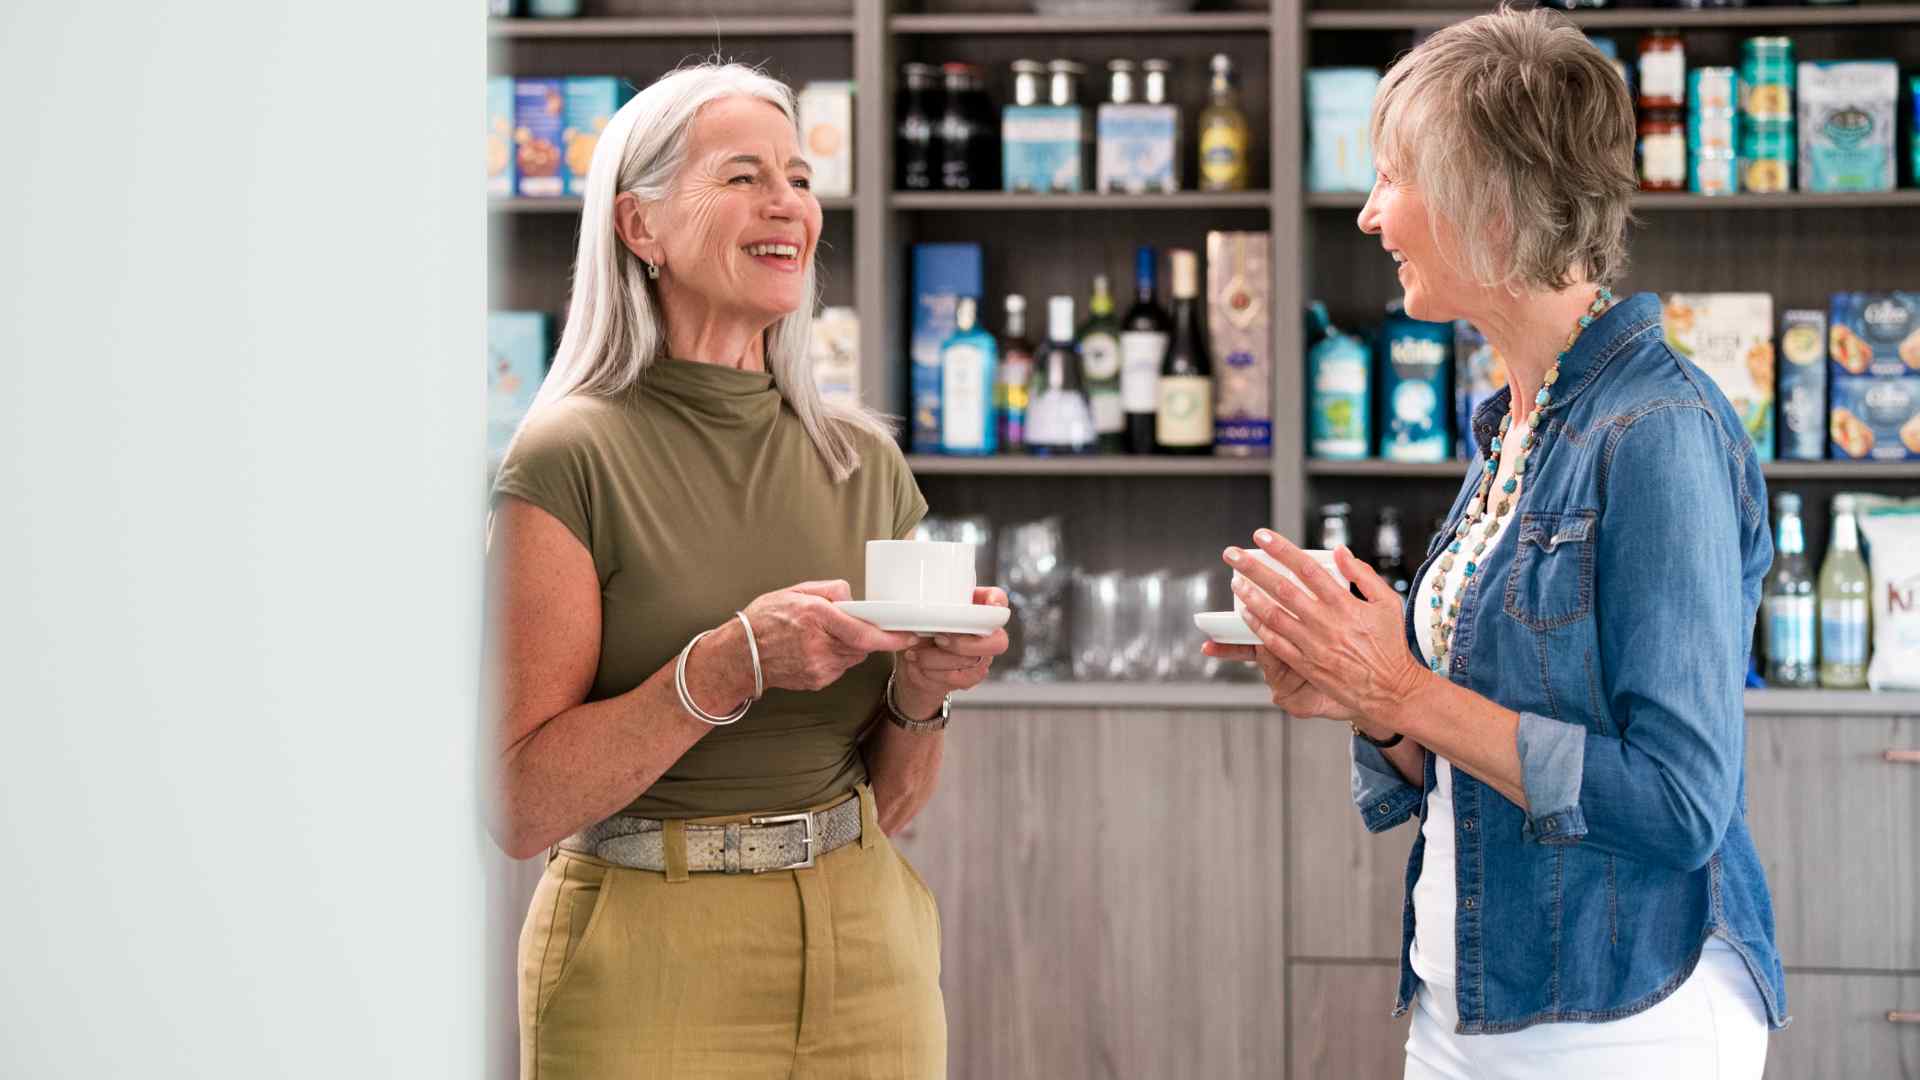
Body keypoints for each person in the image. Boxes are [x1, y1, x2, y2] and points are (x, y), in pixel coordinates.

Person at [1207, 10, 1786, 1077]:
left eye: (1396, 177)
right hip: (1472, 1002)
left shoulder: (1658, 435)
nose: (1374, 214)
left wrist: (1404, 693)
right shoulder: (1515, 426)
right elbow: (1478, 754)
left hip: (1624, 1023)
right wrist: (1366, 701)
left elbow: (1680, 803)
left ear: (1495, 197)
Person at [485, 63, 1006, 1079]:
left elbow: (892, 803)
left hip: (867, 943)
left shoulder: (862, 461)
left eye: (801, 179)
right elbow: (519, 808)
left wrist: (924, 692)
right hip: (648, 956)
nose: (788, 206)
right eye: (741, 177)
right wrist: (721, 670)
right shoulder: (567, 457)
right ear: (640, 227)